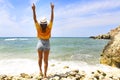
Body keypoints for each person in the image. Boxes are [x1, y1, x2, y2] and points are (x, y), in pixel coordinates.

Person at [32, 2, 54, 78]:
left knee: (40, 58)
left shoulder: (38, 27)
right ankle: (45, 75)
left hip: (40, 43)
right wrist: (52, 9)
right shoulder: (49, 27)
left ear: (41, 23)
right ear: (46, 23)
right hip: (47, 43)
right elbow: (52, 19)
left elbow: (34, 19)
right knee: (45, 60)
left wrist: (34, 10)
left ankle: (40, 71)